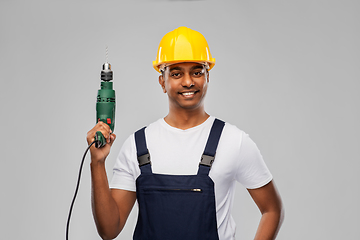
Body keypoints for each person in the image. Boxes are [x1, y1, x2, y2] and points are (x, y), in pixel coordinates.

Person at [87, 26, 284, 240]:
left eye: (197, 72)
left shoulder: (234, 141)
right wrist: (97, 163)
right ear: (162, 81)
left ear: (208, 76)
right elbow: (109, 230)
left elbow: (272, 210)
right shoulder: (137, 144)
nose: (188, 81)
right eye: (176, 73)